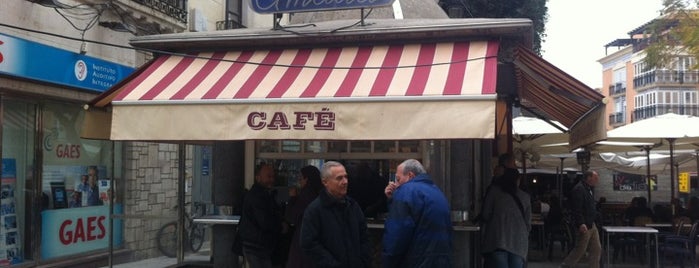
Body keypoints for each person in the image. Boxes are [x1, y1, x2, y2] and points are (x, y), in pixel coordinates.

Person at [382, 159, 452, 267]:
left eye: (398, 179)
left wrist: (387, 262)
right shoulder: (438, 192)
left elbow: (396, 236)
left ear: (410, 175)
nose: (395, 184)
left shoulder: (405, 191)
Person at [300, 161, 370, 268]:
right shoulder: (315, 210)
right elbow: (309, 244)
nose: (345, 181)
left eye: (346, 177)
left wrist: (362, 262)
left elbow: (364, 237)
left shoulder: (353, 206)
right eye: (339, 178)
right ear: (325, 182)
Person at [481, 155, 531, 268]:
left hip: (497, 241)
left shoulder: (494, 192)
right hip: (519, 243)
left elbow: (485, 214)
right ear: (517, 180)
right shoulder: (525, 197)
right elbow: (528, 223)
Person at [238, 163, 288, 268]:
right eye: (268, 176)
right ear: (258, 177)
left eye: (273, 176)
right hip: (257, 245)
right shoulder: (257, 196)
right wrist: (280, 226)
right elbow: (265, 221)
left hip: (257, 244)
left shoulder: (265, 194)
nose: (272, 179)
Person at [561, 170, 601, 268]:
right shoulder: (579, 189)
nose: (597, 180)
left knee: (596, 248)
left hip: (591, 223)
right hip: (585, 224)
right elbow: (576, 208)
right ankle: (565, 266)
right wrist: (581, 223)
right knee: (580, 249)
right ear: (589, 178)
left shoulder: (589, 189)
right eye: (595, 178)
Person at [284, 165, 323, 268]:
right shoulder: (321, 196)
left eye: (301, 178)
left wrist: (292, 198)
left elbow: (291, 217)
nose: (299, 181)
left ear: (307, 179)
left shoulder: (305, 195)